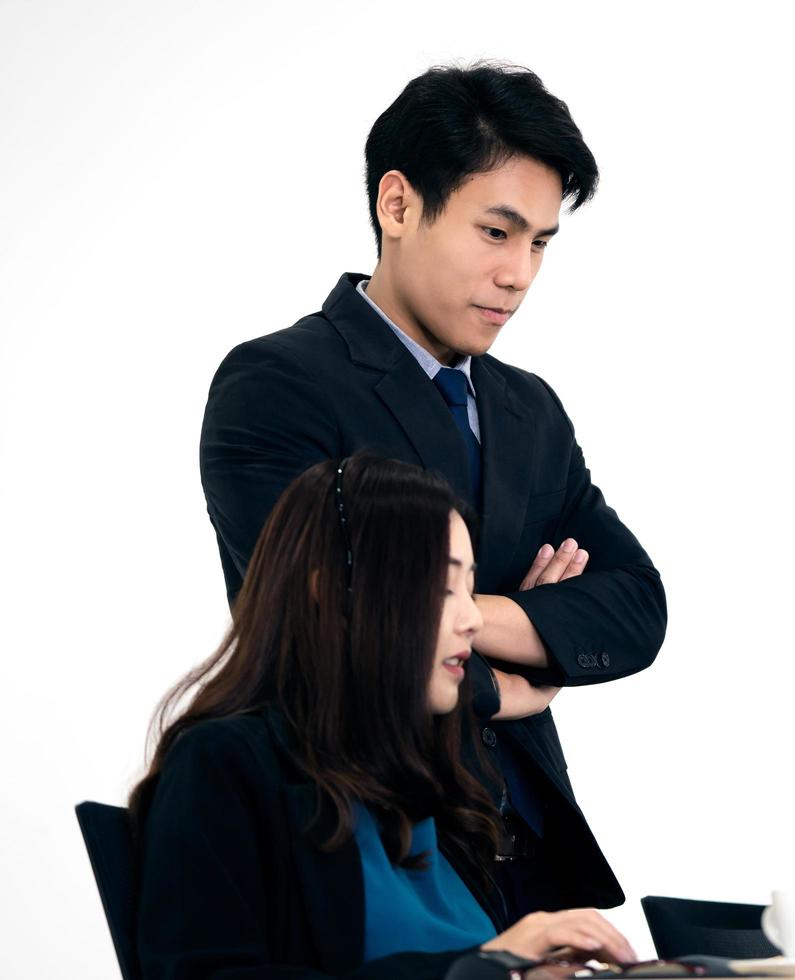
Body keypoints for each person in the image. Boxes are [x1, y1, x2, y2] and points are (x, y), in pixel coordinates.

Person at [198, 63, 666, 915]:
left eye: (541, 244)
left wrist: (454, 615)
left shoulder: (528, 409)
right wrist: (518, 671)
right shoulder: (276, 383)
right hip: (360, 837)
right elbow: (329, 624)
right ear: (399, 206)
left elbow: (635, 605)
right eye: (498, 232)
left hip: (527, 851)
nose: (520, 273)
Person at [131, 455, 639, 980]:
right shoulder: (225, 764)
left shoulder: (431, 785)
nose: (472, 619)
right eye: (445, 589)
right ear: (331, 592)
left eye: (470, 590)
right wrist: (487, 969)